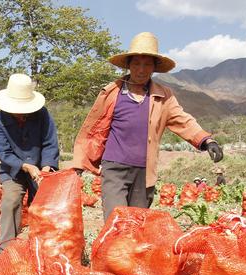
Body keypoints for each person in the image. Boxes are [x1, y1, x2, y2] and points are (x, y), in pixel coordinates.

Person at [72, 32, 224, 220]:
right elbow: (92, 129)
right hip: (114, 168)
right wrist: (79, 163)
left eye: (147, 64)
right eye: (136, 63)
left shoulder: (163, 96)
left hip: (144, 172)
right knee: (115, 221)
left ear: (154, 67)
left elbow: (183, 120)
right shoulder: (112, 92)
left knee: (137, 223)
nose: (141, 70)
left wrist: (206, 140)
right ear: (128, 65)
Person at [0, 73, 59, 253]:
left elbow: (50, 142)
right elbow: (4, 153)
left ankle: (43, 248)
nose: (20, 112)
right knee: (11, 201)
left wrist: (46, 167)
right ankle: (5, 250)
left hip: (40, 168)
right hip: (13, 171)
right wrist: (25, 166)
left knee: (42, 206)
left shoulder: (42, 115)